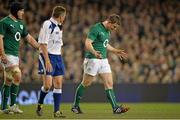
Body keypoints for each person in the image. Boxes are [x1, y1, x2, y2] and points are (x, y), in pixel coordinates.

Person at [71, 14, 129, 114]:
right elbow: (88, 43)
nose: (114, 29)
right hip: (93, 59)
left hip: (103, 60)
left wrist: (115, 51)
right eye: (114, 26)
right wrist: (94, 52)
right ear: (109, 22)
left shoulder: (108, 31)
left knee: (109, 83)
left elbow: (104, 44)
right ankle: (75, 106)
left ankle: (115, 108)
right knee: (86, 83)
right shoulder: (96, 28)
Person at [0, 2, 39, 114]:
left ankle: (3, 108)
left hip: (15, 56)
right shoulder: (4, 22)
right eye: (21, 10)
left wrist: (39, 48)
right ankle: (12, 105)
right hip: (6, 54)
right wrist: (2, 54)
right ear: (15, 11)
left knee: (9, 80)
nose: (23, 13)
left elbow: (29, 39)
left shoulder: (21, 24)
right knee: (17, 73)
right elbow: (0, 38)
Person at [36, 6, 66, 118]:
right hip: (47, 57)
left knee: (58, 84)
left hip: (58, 57)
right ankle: (40, 104)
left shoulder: (59, 27)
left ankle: (56, 111)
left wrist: (59, 58)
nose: (64, 18)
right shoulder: (48, 24)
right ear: (60, 16)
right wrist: (47, 61)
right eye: (64, 16)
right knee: (48, 86)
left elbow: (58, 44)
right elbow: (43, 44)